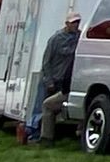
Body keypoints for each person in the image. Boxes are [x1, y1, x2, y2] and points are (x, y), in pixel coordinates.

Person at [27, 9, 83, 144]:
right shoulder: (56, 38)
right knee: (42, 107)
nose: (75, 25)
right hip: (51, 79)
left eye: (77, 22)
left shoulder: (80, 37)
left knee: (54, 108)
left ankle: (50, 135)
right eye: (73, 22)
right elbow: (46, 61)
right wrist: (49, 80)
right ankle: (35, 134)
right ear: (66, 24)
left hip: (65, 81)